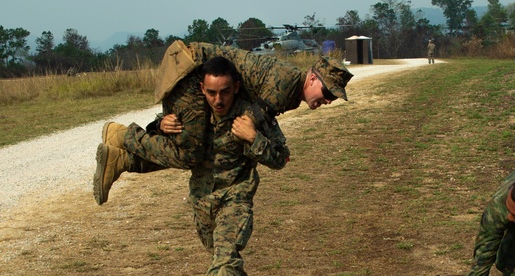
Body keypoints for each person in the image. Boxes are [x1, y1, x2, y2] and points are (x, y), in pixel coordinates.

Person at [93, 40, 352, 205]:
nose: (328, 101)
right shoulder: (285, 86)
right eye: (328, 93)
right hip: (192, 70)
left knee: (198, 143)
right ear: (313, 79)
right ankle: (122, 136)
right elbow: (244, 124)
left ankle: (124, 160)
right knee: (190, 153)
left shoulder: (292, 86)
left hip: (195, 68)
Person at [179, 56, 290, 276]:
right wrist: (159, 124)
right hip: (202, 201)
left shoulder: (251, 115)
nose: (218, 100)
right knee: (223, 260)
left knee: (223, 263)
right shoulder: (194, 111)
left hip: (236, 199)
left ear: (236, 87)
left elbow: (281, 157)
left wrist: (254, 139)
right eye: (212, 92)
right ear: (202, 88)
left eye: (225, 92)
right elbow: (167, 142)